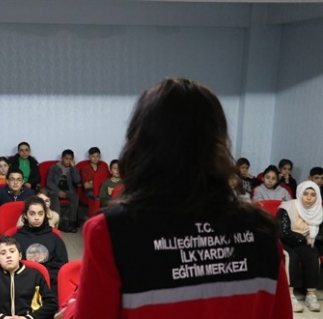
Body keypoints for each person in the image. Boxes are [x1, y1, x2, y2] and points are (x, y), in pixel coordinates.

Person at [57, 78, 290, 319]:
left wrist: (73, 307)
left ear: (140, 143)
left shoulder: (111, 231)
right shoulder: (262, 229)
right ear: (218, 143)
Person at [0, 236, 58, 319]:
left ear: (20, 256)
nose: (8, 256)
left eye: (12, 251)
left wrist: (29, 317)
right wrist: (0, 317)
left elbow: (51, 304)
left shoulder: (35, 276)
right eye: (3, 253)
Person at [277, 181, 322, 312]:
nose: (309, 198)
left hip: (307, 241)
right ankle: (289, 294)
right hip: (286, 241)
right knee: (291, 257)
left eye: (313, 195)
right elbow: (283, 232)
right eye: (305, 194)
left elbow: (320, 234)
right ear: (299, 193)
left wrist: (310, 240)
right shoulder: (287, 207)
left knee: (313, 256)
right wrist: (303, 239)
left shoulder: (318, 210)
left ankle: (311, 294)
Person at [13, 196, 68, 292]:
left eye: (40, 213)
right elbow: (12, 265)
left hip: (48, 282)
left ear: (45, 214)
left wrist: (44, 278)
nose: (37, 218)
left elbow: (62, 266)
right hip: (22, 283)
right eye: (32, 213)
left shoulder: (54, 238)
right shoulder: (16, 238)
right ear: (25, 215)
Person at [46, 149, 81, 233]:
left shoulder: (73, 169)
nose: (68, 161)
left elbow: (77, 181)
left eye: (70, 159)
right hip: (55, 190)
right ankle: (58, 222)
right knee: (54, 196)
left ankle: (72, 223)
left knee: (75, 196)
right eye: (66, 158)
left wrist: (74, 168)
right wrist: (58, 191)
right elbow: (49, 182)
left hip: (68, 190)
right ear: (62, 158)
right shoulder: (54, 168)